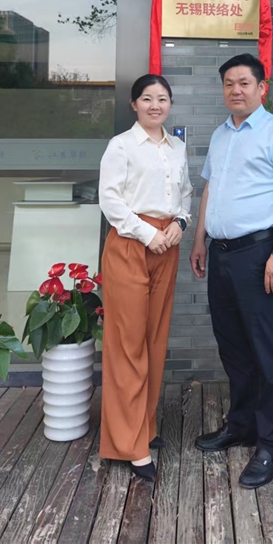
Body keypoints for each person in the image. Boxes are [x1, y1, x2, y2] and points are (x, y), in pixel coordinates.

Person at [189, 53, 273, 489]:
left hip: (261, 256)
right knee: (234, 348)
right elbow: (210, 190)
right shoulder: (221, 135)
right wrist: (199, 240)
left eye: (243, 82)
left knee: (268, 354)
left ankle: (271, 444)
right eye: (228, 83)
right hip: (221, 255)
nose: (235, 90)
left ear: (261, 89)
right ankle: (241, 425)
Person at [99, 74, 192, 482]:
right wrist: (147, 233)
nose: (156, 105)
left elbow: (185, 194)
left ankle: (145, 426)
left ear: (170, 104)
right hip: (130, 244)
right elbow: (110, 200)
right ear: (134, 104)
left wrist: (181, 224)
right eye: (147, 98)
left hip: (166, 245)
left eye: (163, 98)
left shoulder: (177, 148)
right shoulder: (121, 146)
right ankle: (128, 443)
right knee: (128, 343)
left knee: (154, 339)